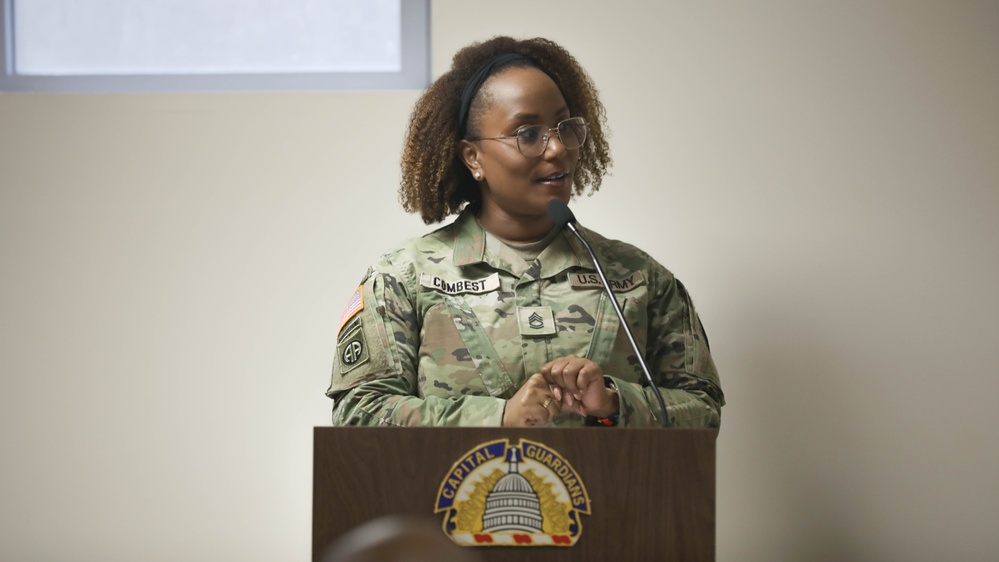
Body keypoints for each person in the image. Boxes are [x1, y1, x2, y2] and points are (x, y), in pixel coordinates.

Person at [326, 36, 723, 428]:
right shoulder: (403, 278)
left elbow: (703, 411)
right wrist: (498, 417)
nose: (557, 149)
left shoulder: (638, 277)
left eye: (565, 127)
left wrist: (615, 402)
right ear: (473, 157)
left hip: (608, 494)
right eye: (528, 134)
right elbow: (359, 413)